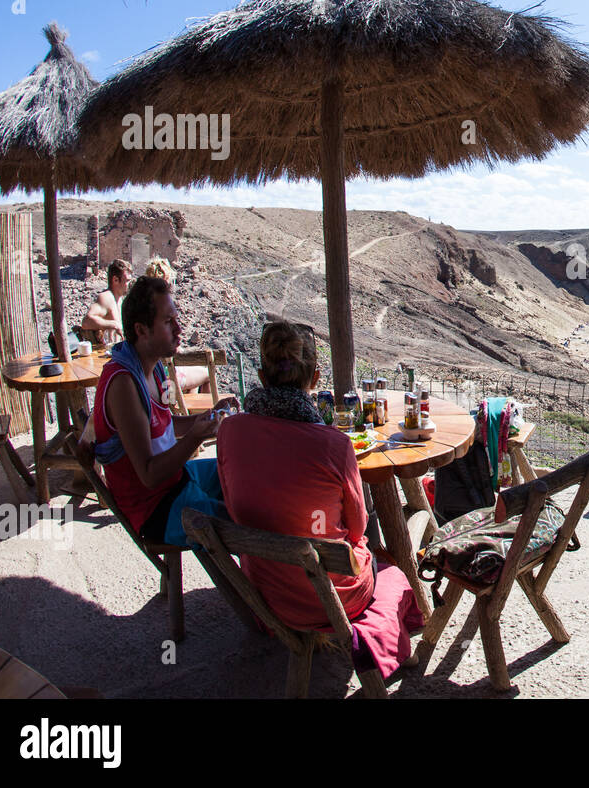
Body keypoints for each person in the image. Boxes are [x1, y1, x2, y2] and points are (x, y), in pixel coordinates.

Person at [216, 321, 421, 676]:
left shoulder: (230, 432)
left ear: (262, 376)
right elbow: (357, 531)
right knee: (386, 567)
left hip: (264, 591)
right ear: (315, 377)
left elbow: (235, 506)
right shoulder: (333, 445)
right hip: (329, 596)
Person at [91, 276, 230, 547]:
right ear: (141, 330)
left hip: (176, 480)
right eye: (168, 322)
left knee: (239, 472)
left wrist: (209, 416)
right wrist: (196, 438)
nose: (179, 329)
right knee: (246, 518)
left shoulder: (153, 367)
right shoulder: (124, 385)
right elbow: (149, 474)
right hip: (156, 507)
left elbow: (166, 423)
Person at [144, 257, 208, 393]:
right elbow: (172, 348)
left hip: (147, 375)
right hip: (165, 379)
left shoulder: (141, 307)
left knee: (193, 377)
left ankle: (186, 409)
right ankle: (206, 413)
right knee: (206, 374)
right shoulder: (164, 310)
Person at [81, 259, 132, 344]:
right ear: (115, 280)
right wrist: (113, 324)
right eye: (127, 280)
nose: (130, 284)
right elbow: (86, 322)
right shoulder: (106, 297)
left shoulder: (121, 299)